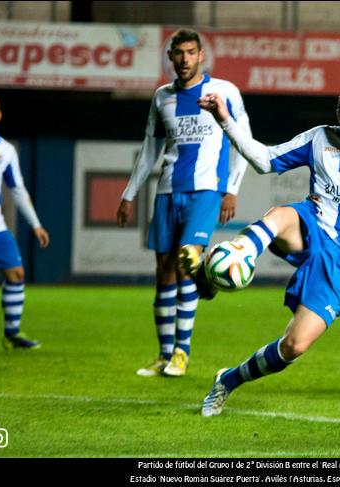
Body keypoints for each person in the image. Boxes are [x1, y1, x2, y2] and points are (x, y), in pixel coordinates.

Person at [190, 84, 340, 416]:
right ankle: (230, 257)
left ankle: (228, 380)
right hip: (314, 225)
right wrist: (225, 119)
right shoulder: (319, 139)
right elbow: (264, 161)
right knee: (281, 214)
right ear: (338, 118)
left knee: (293, 346)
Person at [116, 28, 252, 377]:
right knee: (163, 271)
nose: (185, 59)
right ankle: (163, 355)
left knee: (187, 260)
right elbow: (150, 149)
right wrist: (129, 193)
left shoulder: (224, 92)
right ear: (171, 58)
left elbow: (244, 140)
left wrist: (232, 188)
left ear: (201, 56)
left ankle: (182, 353)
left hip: (207, 190)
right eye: (179, 53)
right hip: (166, 190)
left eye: (191, 52)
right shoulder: (162, 97)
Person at [0, 93, 50, 350]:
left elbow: (17, 189)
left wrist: (36, 224)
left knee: (16, 273)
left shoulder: (5, 151)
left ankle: (12, 333)